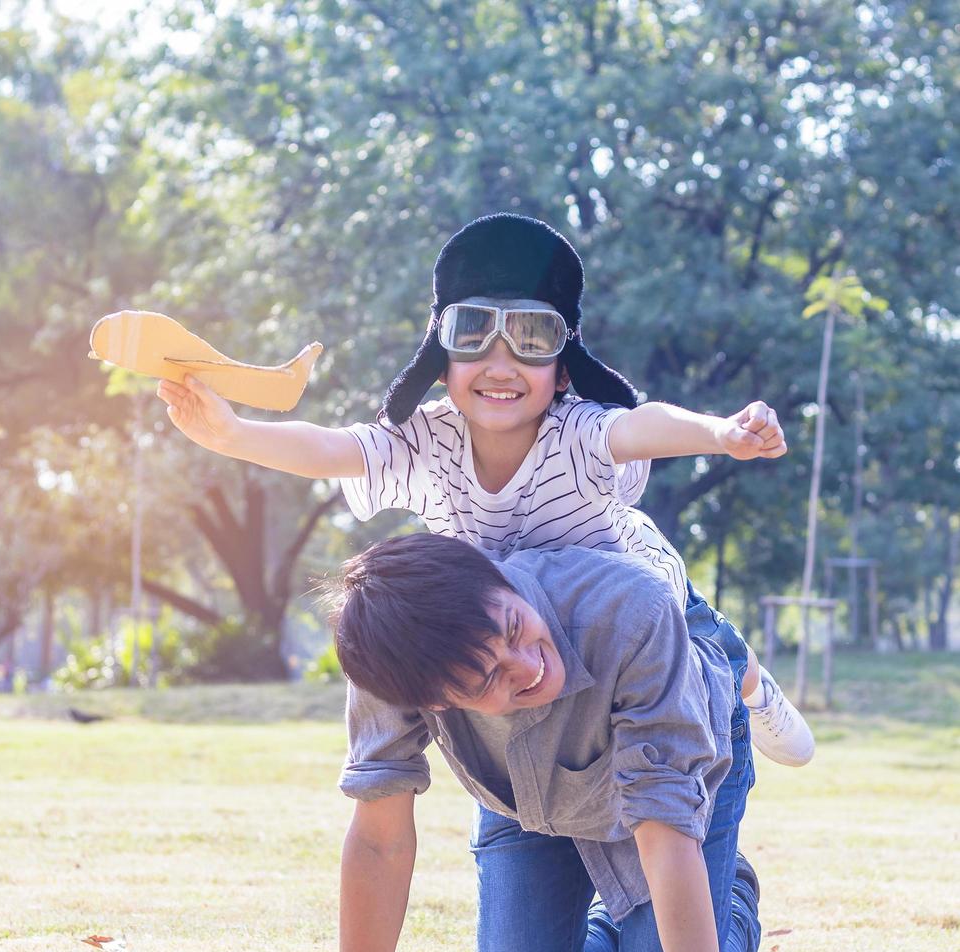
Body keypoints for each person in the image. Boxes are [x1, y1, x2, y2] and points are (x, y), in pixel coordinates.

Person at [156, 211, 814, 767]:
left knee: (706, 641)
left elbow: (643, 424)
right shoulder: (423, 440)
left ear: (562, 373)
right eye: (473, 338)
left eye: (531, 341)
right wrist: (232, 435)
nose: (500, 367)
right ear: (441, 367)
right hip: (524, 624)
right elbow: (330, 448)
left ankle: (754, 688)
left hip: (629, 594)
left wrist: (721, 432)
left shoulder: (577, 431)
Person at [328, 532, 763, 952]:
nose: (528, 665)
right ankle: (617, 934)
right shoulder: (390, 667)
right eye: (489, 678)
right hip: (523, 797)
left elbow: (665, 831)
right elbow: (380, 842)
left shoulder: (632, 609)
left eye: (514, 627)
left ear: (498, 579)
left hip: (681, 760)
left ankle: (732, 907)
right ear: (434, 701)